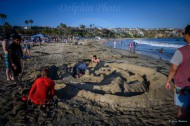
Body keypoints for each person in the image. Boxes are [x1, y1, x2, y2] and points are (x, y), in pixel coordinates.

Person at [165, 25, 190, 120]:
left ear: (187, 35)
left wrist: (168, 81)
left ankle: (181, 122)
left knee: (182, 108)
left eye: (183, 33)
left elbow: (173, 69)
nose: (183, 36)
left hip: (183, 85)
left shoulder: (181, 51)